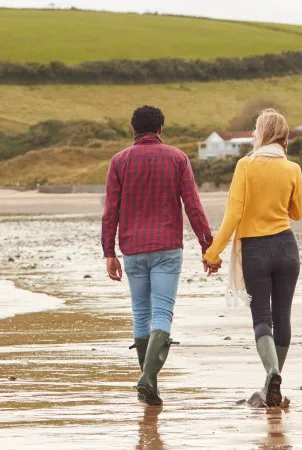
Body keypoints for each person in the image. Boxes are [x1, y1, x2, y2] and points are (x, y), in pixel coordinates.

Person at [102, 105, 217, 406]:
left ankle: (148, 382)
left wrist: (108, 252)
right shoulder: (177, 158)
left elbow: (110, 211)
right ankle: (147, 379)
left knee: (141, 312)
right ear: (161, 129)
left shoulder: (119, 161)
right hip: (167, 247)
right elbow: (192, 205)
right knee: (162, 313)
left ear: (133, 130)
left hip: (132, 248)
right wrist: (208, 246)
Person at [202, 108, 302, 407]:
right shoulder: (293, 169)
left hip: (255, 250)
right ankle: (271, 385)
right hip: (286, 247)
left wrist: (213, 253)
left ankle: (272, 372)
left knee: (262, 316)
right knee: (282, 316)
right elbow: (297, 213)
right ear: (283, 136)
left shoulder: (245, 166)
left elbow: (233, 214)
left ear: (261, 133)